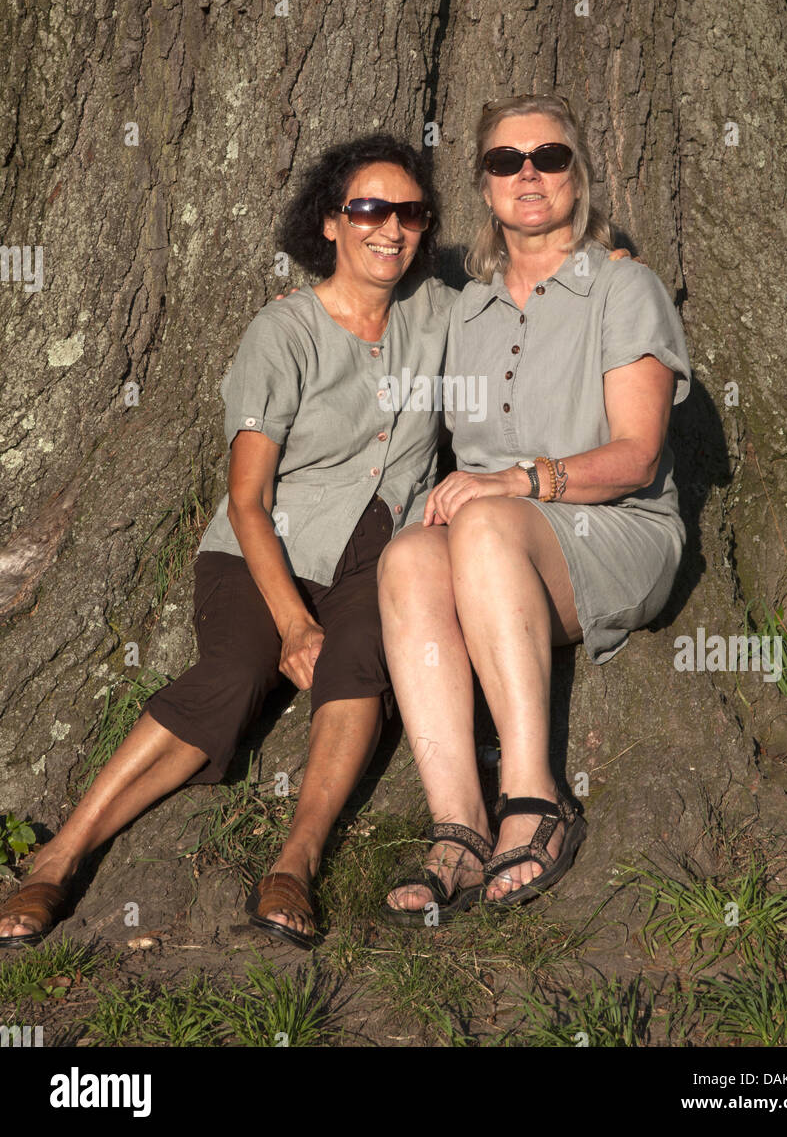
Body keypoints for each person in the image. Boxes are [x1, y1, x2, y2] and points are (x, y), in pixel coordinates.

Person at [0, 134, 453, 950]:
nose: (391, 229)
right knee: (233, 675)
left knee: (362, 666)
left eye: (409, 213)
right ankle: (58, 858)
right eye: (370, 210)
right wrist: (292, 622)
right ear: (330, 223)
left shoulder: (441, 313)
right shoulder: (283, 333)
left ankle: (296, 862)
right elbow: (247, 500)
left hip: (381, 550)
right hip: (263, 548)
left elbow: (529, 302)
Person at [380, 93, 691, 923]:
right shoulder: (463, 308)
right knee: (409, 555)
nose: (528, 174)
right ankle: (459, 825)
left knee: (477, 522)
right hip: (499, 543)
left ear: (576, 176)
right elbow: (371, 329)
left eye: (549, 157)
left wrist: (516, 481)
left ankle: (536, 800)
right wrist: (300, 312)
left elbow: (638, 455)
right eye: (505, 160)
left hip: (614, 527)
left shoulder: (623, 288)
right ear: (483, 186)